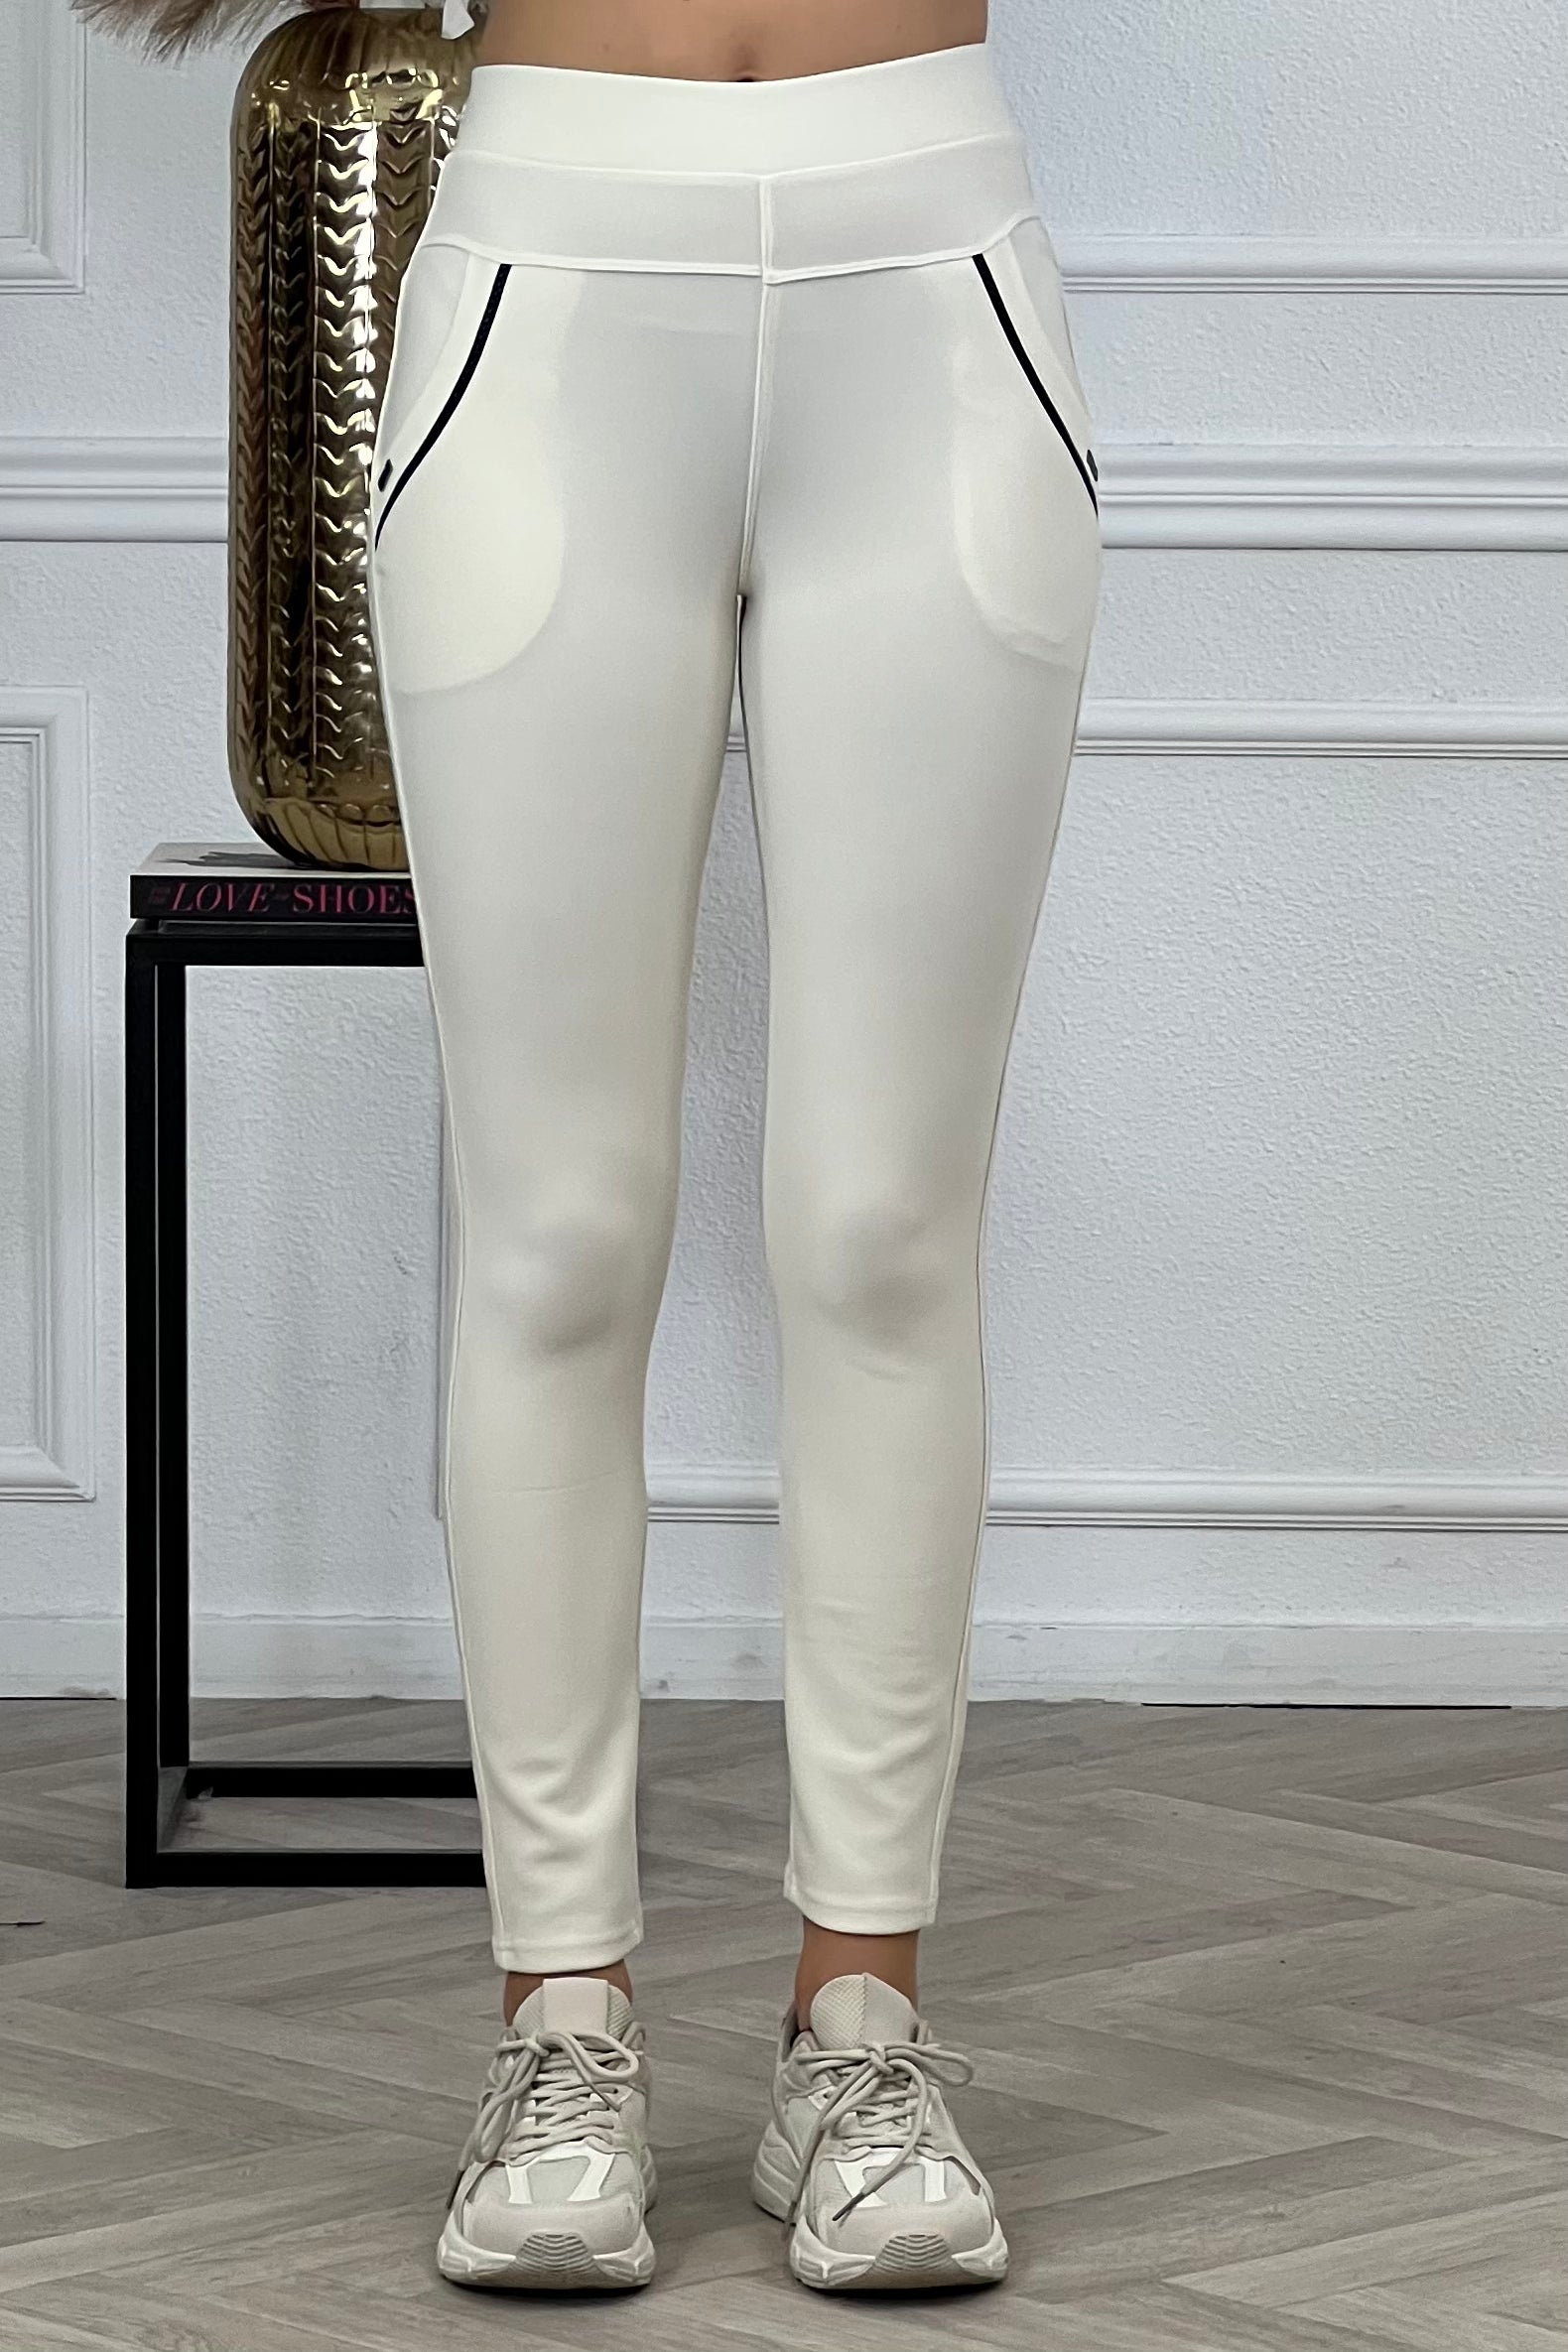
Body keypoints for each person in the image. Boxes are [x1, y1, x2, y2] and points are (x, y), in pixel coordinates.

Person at [368, 0, 1099, 2296]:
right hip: (548, 289)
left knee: (886, 1231)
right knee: (556, 1234)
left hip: (931, 280)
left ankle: (855, 2033)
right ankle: (557, 2027)